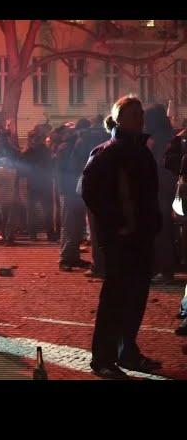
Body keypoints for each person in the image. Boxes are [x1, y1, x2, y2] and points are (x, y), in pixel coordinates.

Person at [81, 95, 163, 379]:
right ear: (118, 119)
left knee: (136, 297)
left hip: (140, 235)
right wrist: (117, 224)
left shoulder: (141, 151)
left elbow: (148, 193)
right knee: (115, 298)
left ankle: (127, 350)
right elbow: (91, 192)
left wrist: (152, 221)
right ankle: (103, 358)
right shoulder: (107, 152)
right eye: (134, 114)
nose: (140, 118)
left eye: (141, 113)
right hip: (120, 238)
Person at [72, 114, 110, 278]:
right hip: (109, 187)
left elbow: (74, 163)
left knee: (94, 228)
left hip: (90, 186)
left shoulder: (83, 139)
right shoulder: (111, 139)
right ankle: (109, 265)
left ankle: (98, 266)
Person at [144, 104, 178, 283]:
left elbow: (154, 164)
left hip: (160, 186)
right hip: (172, 185)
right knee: (168, 228)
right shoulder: (171, 136)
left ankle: (164, 270)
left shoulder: (154, 139)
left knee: (160, 228)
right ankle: (167, 268)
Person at [56, 121, 91, 272]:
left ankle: (73, 257)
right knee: (69, 225)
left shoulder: (73, 146)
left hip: (75, 189)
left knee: (76, 225)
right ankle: (65, 258)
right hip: (69, 190)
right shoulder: (67, 147)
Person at [21, 129, 54, 241]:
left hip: (34, 183)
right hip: (43, 183)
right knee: (45, 210)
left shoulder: (27, 152)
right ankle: (49, 234)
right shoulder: (46, 151)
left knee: (32, 211)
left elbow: (23, 169)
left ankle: (33, 235)